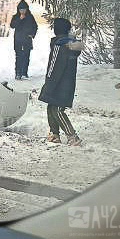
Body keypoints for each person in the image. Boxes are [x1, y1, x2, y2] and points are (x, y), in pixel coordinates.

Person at [38, 17, 83, 146]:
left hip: (58, 83)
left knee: (57, 109)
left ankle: (72, 136)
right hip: (67, 83)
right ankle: (54, 134)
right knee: (51, 106)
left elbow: (54, 65)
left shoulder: (59, 44)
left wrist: (49, 83)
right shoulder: (71, 44)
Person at [10, 0, 38, 80]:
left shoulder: (30, 17)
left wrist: (32, 34)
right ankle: (18, 73)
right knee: (19, 56)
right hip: (18, 40)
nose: (22, 11)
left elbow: (35, 26)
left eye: (24, 9)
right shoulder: (15, 17)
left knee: (26, 56)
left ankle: (24, 73)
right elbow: (12, 25)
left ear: (27, 9)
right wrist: (20, 19)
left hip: (27, 40)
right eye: (21, 9)